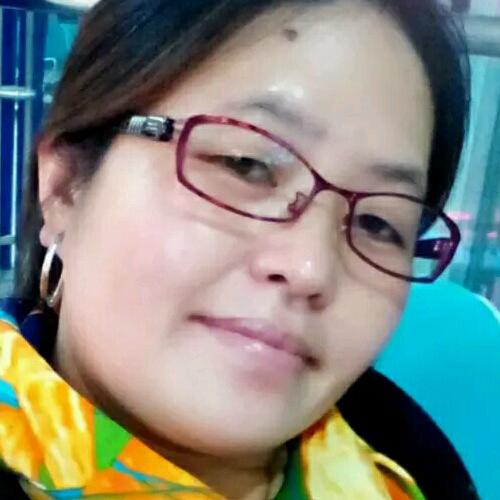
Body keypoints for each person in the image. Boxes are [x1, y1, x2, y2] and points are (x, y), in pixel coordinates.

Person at [0, 0, 477, 498]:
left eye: (378, 223)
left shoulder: (411, 466)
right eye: (245, 165)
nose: (310, 267)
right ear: (65, 187)